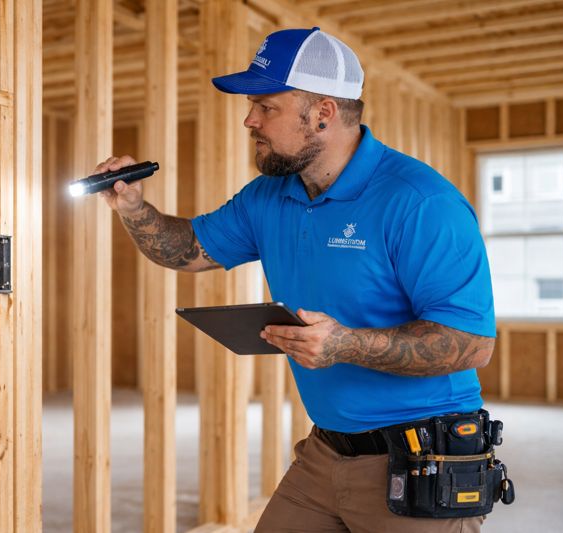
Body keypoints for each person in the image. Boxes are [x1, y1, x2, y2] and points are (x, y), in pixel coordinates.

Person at [96, 27, 496, 533]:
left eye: (266, 107)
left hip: (420, 459)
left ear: (322, 113)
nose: (250, 120)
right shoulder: (269, 195)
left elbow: (471, 344)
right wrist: (133, 207)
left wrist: (346, 344)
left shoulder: (420, 203)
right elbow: (187, 249)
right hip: (324, 451)